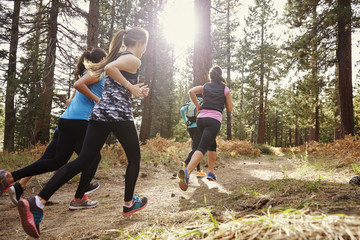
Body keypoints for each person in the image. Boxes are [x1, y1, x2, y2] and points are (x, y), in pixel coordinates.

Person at [12, 27, 149, 238]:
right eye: (145, 45)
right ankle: (129, 203)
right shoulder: (132, 59)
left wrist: (134, 89)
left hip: (100, 114)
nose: (145, 50)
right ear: (140, 43)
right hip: (118, 116)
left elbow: (113, 80)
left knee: (83, 160)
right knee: (134, 159)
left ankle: (38, 201)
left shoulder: (120, 56)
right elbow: (111, 69)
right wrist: (131, 88)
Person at [0, 48, 107, 210]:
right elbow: (78, 85)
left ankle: (10, 178)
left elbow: (72, 97)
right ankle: (79, 197)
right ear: (102, 59)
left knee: (58, 160)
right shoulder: (97, 72)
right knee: (93, 158)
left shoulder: (90, 73)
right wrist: (98, 101)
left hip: (67, 120)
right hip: (80, 121)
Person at [178, 66, 233, 191]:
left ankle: (211, 172)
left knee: (211, 144)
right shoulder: (225, 89)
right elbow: (230, 108)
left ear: (210, 76)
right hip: (213, 120)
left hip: (201, 119)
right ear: (220, 75)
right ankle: (187, 172)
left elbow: (191, 91)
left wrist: (198, 106)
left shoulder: (205, 87)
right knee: (202, 147)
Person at [180, 95, 206, 177]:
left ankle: (198, 171)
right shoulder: (203, 101)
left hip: (190, 127)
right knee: (197, 149)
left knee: (195, 148)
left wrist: (185, 120)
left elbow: (182, 110)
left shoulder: (190, 102)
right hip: (198, 127)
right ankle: (185, 163)